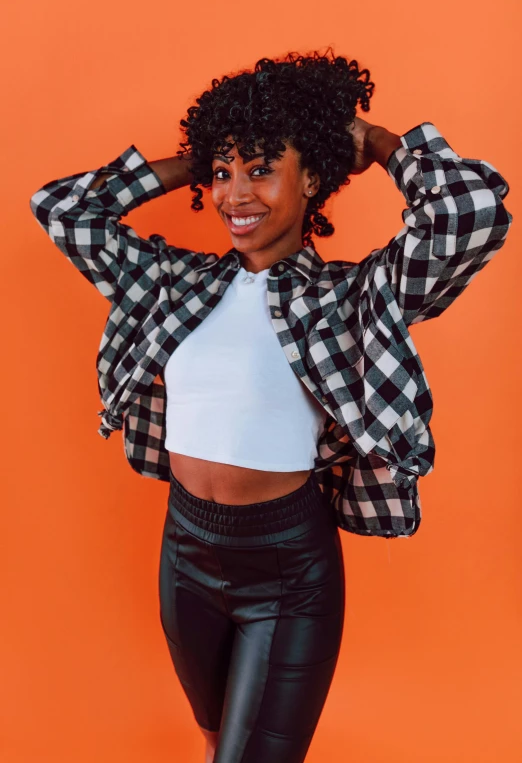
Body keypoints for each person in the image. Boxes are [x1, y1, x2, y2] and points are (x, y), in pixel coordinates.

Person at [29, 48, 512, 763]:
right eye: (224, 174)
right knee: (216, 738)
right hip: (184, 554)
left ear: (311, 176)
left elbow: (469, 213)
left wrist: (376, 143)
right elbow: (62, 208)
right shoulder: (175, 282)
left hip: (287, 573)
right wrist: (199, 164)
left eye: (261, 168)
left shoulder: (352, 298)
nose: (234, 195)